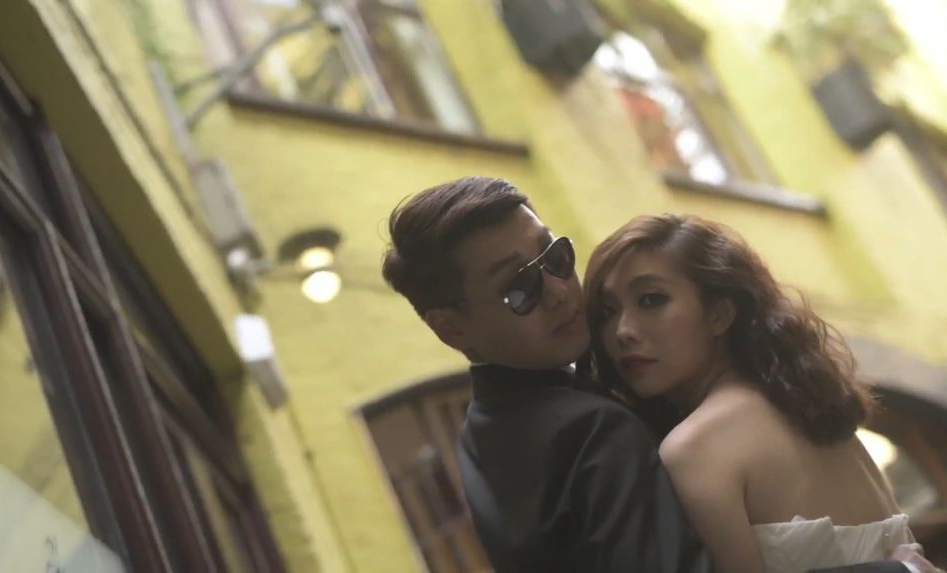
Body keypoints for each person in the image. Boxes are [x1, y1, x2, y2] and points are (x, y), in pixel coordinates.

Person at [381, 176, 934, 573]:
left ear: (720, 312)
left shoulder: (483, 434)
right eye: (518, 288)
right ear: (451, 328)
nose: (559, 292)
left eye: (555, 258)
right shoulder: (593, 428)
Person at [582, 214, 938, 573]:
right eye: (607, 311)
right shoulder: (821, 417)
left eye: (651, 300)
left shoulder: (694, 448)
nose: (623, 331)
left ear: (719, 314)